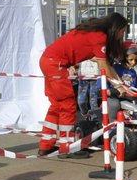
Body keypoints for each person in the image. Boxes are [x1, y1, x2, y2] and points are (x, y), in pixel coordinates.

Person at [37, 12, 128, 157]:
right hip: (57, 64)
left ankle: (46, 145)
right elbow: (103, 65)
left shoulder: (92, 31)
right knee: (67, 105)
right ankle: (67, 147)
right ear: (116, 29)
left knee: (56, 106)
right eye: (122, 32)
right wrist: (118, 86)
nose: (122, 36)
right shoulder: (100, 36)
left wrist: (120, 83)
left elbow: (103, 63)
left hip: (49, 61)